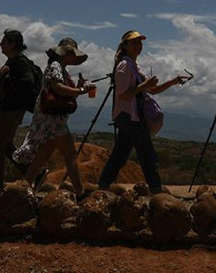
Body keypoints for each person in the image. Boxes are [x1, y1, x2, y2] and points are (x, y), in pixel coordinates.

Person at [97, 30, 186, 194]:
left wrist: (173, 81)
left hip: (130, 116)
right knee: (147, 152)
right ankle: (156, 188)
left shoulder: (134, 66)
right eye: (134, 43)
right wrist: (144, 85)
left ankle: (103, 183)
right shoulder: (124, 66)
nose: (138, 46)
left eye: (139, 43)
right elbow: (123, 94)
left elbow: (153, 90)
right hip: (128, 116)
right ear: (125, 46)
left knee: (120, 154)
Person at [12, 38, 94, 198]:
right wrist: (80, 90)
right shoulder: (56, 67)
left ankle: (24, 190)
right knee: (70, 155)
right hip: (54, 121)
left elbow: (62, 95)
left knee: (42, 157)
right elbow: (58, 89)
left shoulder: (60, 68)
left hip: (49, 119)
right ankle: (79, 192)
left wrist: (77, 89)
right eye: (72, 54)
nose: (73, 58)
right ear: (66, 53)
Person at [0, 29, 39, 192]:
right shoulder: (12, 62)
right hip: (8, 108)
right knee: (6, 146)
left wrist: (6, 78)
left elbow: (27, 83)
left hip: (11, 110)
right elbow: (5, 87)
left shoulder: (20, 62)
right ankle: (34, 173)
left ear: (13, 43)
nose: (0, 44)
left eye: (4, 41)